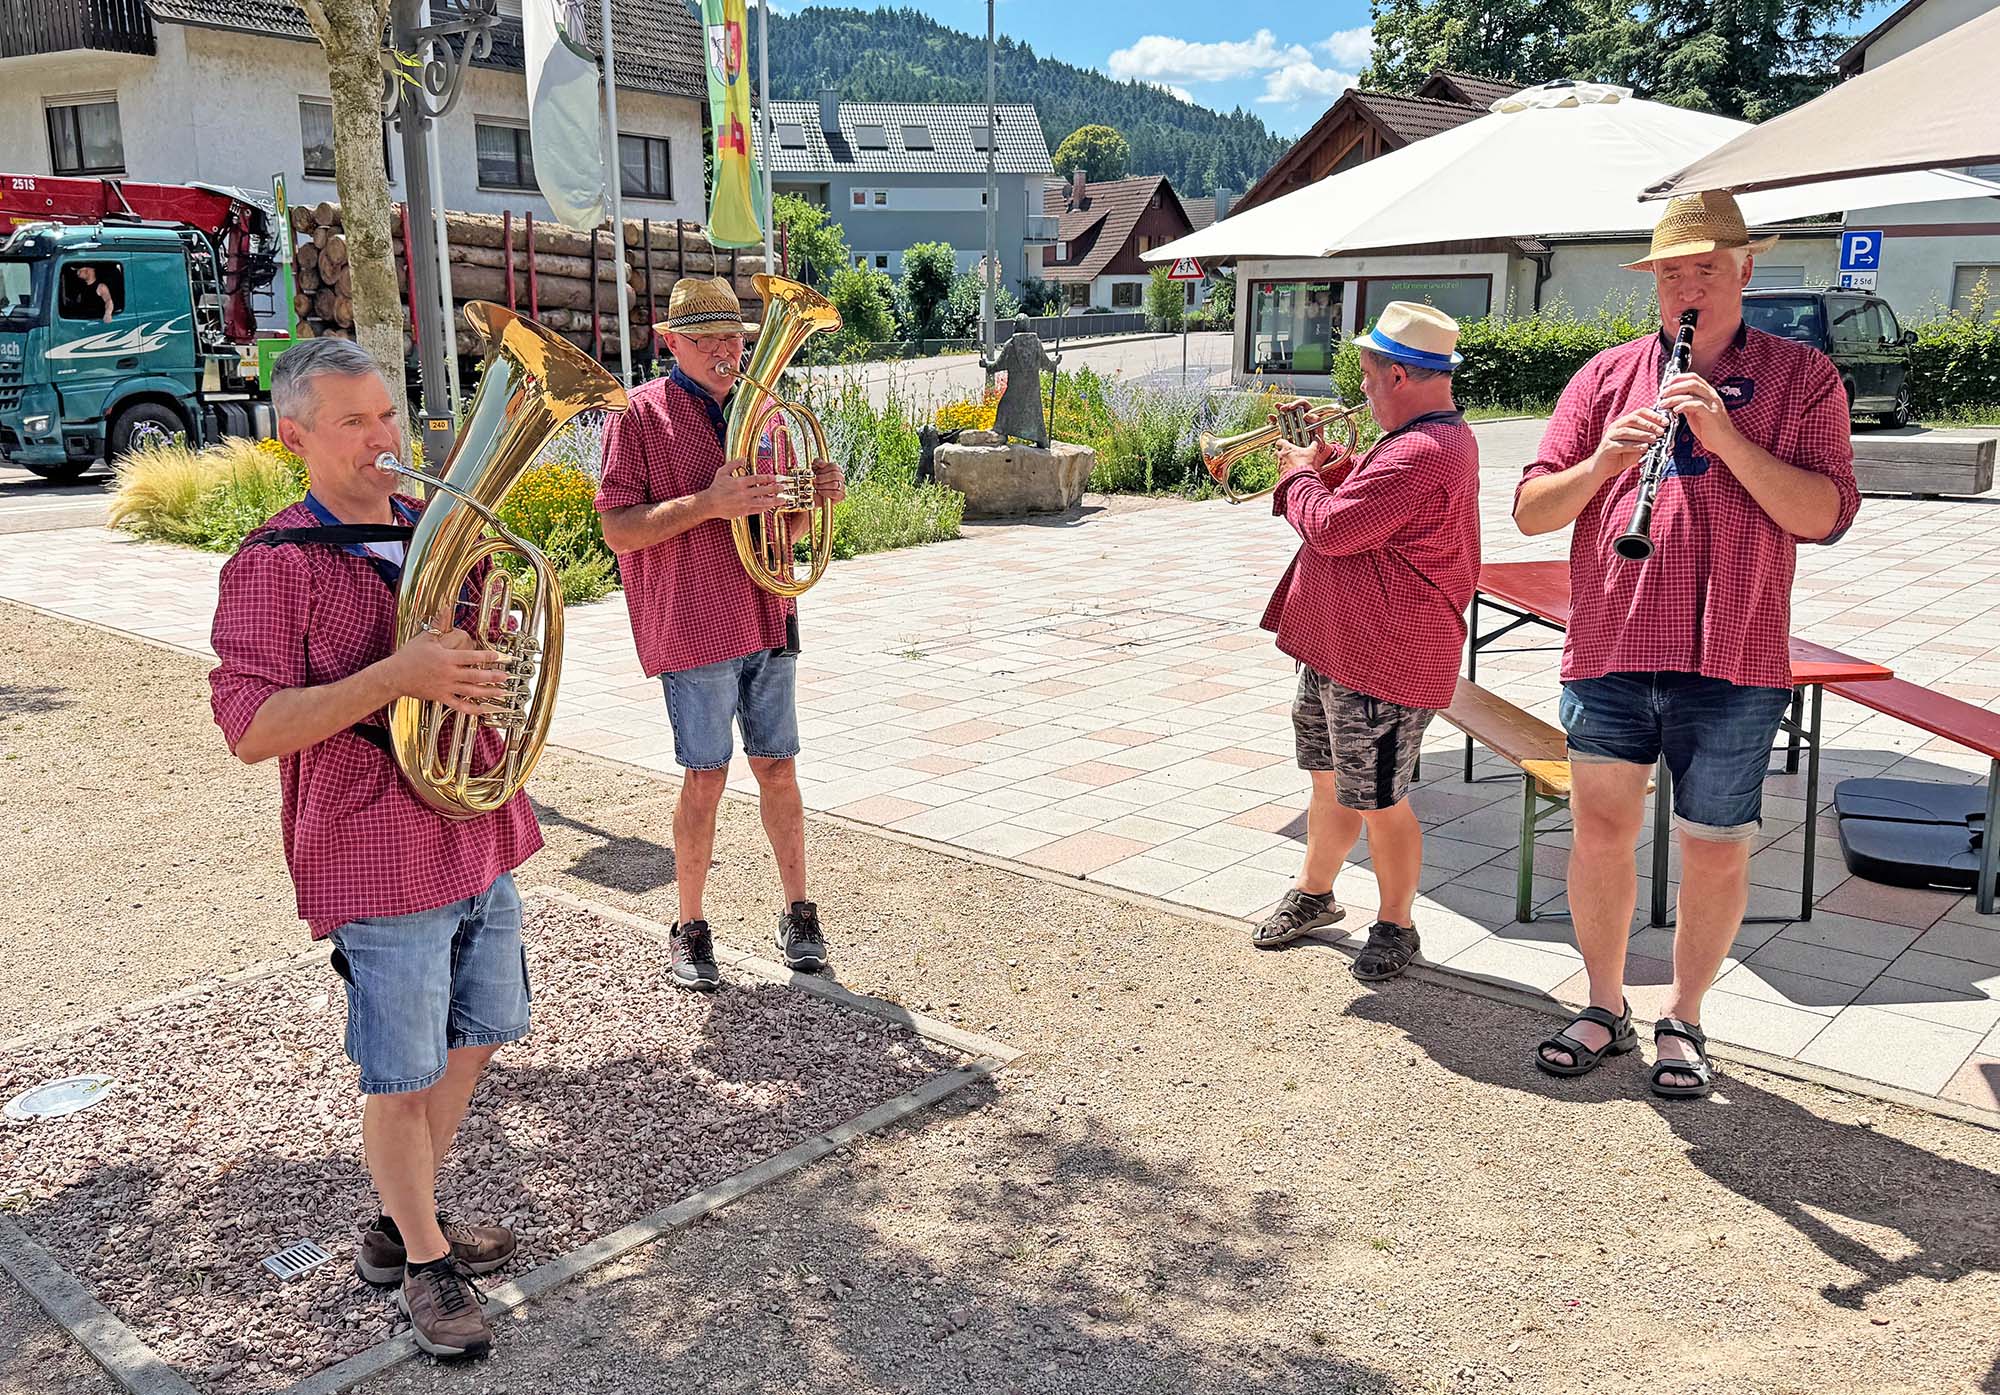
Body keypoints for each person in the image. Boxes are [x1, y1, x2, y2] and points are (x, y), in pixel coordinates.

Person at [209, 338, 537, 1359]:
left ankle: (402, 1223)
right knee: (399, 1073)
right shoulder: (271, 565)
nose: (382, 439)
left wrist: (489, 648)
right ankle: (426, 1267)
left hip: (475, 824)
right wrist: (400, 675)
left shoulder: (431, 527)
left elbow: (484, 652)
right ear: (294, 436)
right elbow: (250, 727)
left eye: (386, 416)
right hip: (373, 848)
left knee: (484, 1025)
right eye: (352, 423)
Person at [1513, 191, 1860, 1099]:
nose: (1688, 285)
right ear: (1654, 285)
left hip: (1735, 656)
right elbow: (1532, 509)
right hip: (1613, 647)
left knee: (1714, 845)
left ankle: (1687, 1016)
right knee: (1600, 834)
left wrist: (1723, 434)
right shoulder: (1604, 376)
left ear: (1747, 268)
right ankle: (1601, 1003)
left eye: (1707, 266)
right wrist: (1603, 466)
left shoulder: (1804, 379)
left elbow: (1821, 515)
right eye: (1672, 271)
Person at [595, 277, 844, 991]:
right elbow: (617, 529)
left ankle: (799, 911)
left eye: (733, 337)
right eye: (705, 339)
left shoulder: (764, 415)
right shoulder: (637, 415)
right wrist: (707, 503)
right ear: (670, 343)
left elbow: (780, 525)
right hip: (695, 621)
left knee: (779, 767)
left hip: (768, 610)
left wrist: (815, 500)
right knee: (705, 776)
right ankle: (690, 925)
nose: (725, 352)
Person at [1250, 303, 1481, 982]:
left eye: (1369, 377)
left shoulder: (1422, 450)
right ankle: (1317, 892)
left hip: (1383, 657)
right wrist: (1334, 463)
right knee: (1328, 781)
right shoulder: (1419, 435)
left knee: (1379, 797)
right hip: (1342, 645)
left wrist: (1297, 471)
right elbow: (1373, 508)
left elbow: (1330, 529)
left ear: (1401, 375)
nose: (1362, 391)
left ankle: (1397, 925)